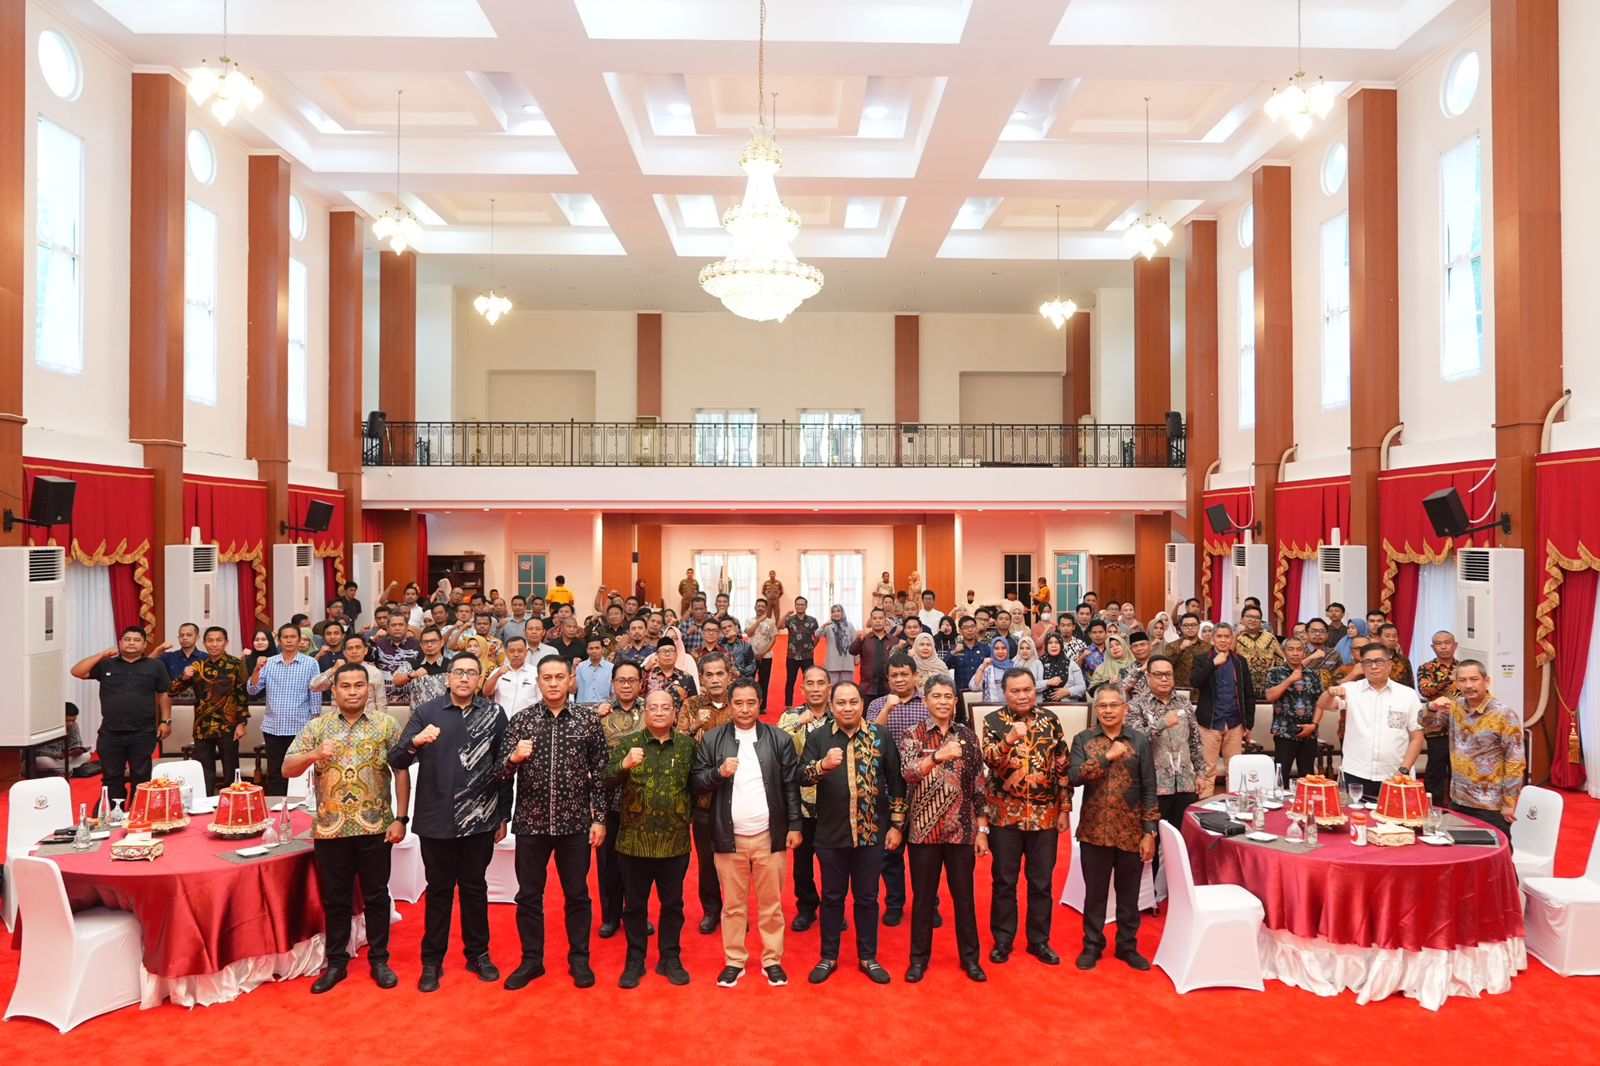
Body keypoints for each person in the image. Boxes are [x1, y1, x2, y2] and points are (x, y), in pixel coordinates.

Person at [391, 652, 512, 993]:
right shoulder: (427, 712)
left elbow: (504, 767)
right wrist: (415, 742)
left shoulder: (493, 714)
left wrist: (503, 814)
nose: (464, 678)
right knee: (439, 891)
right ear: (448, 677)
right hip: (436, 818)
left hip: (480, 818)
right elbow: (397, 758)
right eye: (458, 672)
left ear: (479, 679)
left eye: (471, 673)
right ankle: (432, 961)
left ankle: (478, 955)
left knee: (475, 889)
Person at [284, 662, 408, 993]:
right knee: (336, 900)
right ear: (334, 690)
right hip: (330, 829)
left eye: (358, 685)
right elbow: (287, 768)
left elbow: (401, 772)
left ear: (369, 689)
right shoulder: (317, 727)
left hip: (376, 827)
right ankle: (337, 962)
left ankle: (380, 960)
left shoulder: (386, 725)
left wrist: (401, 818)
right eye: (346, 686)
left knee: (377, 896)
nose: (352, 692)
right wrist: (313, 754)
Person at [495, 654, 609, 990]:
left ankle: (579, 959)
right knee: (528, 895)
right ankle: (532, 960)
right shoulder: (522, 720)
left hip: (575, 823)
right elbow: (500, 773)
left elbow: (600, 774)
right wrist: (514, 758)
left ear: (571, 680)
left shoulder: (588, 720)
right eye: (548, 678)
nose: (554, 683)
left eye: (560, 677)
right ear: (538, 682)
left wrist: (600, 818)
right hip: (531, 824)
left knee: (577, 894)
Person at [692, 677, 803, 988]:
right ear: (730, 705)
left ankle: (772, 960)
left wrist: (795, 825)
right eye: (738, 703)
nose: (744, 709)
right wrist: (718, 773)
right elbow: (697, 782)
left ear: (760, 704)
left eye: (750, 702)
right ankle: (734, 960)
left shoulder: (778, 739)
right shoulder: (712, 739)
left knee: (771, 905)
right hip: (729, 838)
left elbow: (790, 785)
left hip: (769, 836)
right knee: (733, 906)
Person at [801, 680, 906, 985]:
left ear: (862, 704)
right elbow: (801, 777)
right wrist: (822, 766)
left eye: (854, 702)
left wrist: (897, 825)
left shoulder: (880, 735)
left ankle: (868, 957)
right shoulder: (818, 737)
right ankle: (828, 956)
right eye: (841, 703)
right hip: (830, 834)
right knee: (832, 897)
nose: (848, 708)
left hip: (871, 833)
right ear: (831, 706)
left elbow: (896, 783)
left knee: (868, 898)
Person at [899, 674, 989, 983]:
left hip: (961, 830)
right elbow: (908, 773)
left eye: (947, 696)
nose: (942, 701)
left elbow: (978, 785)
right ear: (926, 701)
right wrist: (937, 756)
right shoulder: (913, 735)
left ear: (955, 701)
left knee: (964, 899)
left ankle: (971, 959)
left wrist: (982, 829)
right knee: (923, 900)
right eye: (936, 696)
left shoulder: (968, 736)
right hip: (923, 832)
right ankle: (918, 960)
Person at [604, 689, 696, 988]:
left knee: (673, 905)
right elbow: (605, 780)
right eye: (653, 707)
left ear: (674, 713)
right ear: (645, 713)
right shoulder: (628, 744)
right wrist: (624, 765)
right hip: (634, 842)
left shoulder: (687, 746)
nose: (658, 712)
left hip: (674, 842)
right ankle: (635, 959)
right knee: (634, 906)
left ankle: (670, 957)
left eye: (665, 707)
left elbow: (696, 786)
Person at [981, 668, 1069, 966]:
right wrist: (1008, 740)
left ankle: (1039, 940)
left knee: (1041, 882)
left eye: (1027, 690)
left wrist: (1065, 808)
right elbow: (989, 760)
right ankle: (1003, 940)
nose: (1022, 696)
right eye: (1015, 691)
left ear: (1035, 690)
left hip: (1045, 817)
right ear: (1004, 693)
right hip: (1005, 817)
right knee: (1004, 882)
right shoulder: (993, 721)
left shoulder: (1051, 720)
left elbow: (1062, 765)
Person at [1069, 687, 1159, 971]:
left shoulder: (1139, 741)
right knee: (1094, 895)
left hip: (1131, 831)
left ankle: (1127, 946)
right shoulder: (1083, 739)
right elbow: (1074, 776)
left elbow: (1150, 789)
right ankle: (1092, 946)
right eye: (1103, 706)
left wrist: (1150, 832)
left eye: (1114, 705)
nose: (1108, 710)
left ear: (1125, 708)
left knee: (1129, 896)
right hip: (1094, 830)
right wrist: (1106, 757)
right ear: (1096, 710)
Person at [70, 627, 172, 810]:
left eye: (137, 640)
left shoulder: (155, 665)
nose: (131, 643)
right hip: (111, 733)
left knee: (141, 775)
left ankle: (139, 812)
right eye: (127, 639)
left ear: (144, 645)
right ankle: (113, 813)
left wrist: (166, 721)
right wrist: (102, 655)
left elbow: (164, 693)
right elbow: (77, 671)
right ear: (120, 642)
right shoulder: (107, 665)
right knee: (111, 776)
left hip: (142, 732)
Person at [865, 654, 928, 926]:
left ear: (915, 676)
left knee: (925, 855)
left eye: (905, 674)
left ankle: (928, 905)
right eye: (894, 676)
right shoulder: (877, 704)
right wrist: (887, 710)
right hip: (887, 790)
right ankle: (894, 904)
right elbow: (869, 739)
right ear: (888, 679)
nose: (900, 680)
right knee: (890, 854)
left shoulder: (928, 703)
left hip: (923, 788)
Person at [1315, 643, 1423, 800]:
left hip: (1395, 774)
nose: (1374, 666)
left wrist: (1404, 770)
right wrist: (1330, 693)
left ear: (1390, 665)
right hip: (1356, 772)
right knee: (1355, 813)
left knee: (1394, 815)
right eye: (1368, 662)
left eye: (1380, 661)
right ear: (1362, 666)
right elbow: (1323, 705)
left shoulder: (1407, 695)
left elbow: (1417, 738)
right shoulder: (1351, 689)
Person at [1429, 659, 1525, 834]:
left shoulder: (1503, 714)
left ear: (1486, 681)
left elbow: (1515, 761)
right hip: (1458, 799)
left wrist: (1509, 802)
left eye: (1474, 679)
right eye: (1463, 680)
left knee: (1493, 849)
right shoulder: (1456, 707)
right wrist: (1431, 707)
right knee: (1457, 847)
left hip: (1490, 805)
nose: (1468, 685)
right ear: (1457, 684)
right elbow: (1428, 724)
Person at [681, 653, 734, 933]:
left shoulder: (738, 703)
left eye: (719, 674)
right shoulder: (691, 705)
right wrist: (694, 727)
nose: (714, 680)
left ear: (729, 676)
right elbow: (677, 745)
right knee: (707, 860)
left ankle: (736, 910)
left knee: (737, 860)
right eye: (709, 675)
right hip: (703, 797)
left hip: (737, 796)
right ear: (701, 679)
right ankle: (712, 910)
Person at [777, 667, 834, 931]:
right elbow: (776, 745)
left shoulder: (839, 713)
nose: (815, 688)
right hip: (800, 801)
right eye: (810, 683)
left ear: (829, 687)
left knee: (834, 862)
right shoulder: (791, 715)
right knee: (802, 863)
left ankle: (834, 908)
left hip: (833, 800)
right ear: (802, 688)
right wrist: (799, 723)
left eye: (821, 683)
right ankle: (807, 907)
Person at [596, 662, 649, 938]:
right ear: (613, 683)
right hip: (609, 799)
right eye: (621, 680)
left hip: (644, 800)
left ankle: (638, 914)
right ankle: (610, 916)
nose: (626, 685)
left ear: (641, 683)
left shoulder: (651, 711)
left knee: (640, 863)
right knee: (609, 863)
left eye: (632, 680)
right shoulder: (600, 714)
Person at [1126, 654, 1206, 833]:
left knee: (1183, 838)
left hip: (1186, 783)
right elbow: (1134, 742)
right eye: (1158, 674)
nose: (1164, 679)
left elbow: (1195, 741)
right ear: (1148, 677)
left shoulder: (1184, 703)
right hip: (1154, 787)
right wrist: (1162, 723)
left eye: (1168, 674)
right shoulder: (1136, 705)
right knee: (1152, 838)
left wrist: (1201, 773)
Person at [164, 625, 248, 794]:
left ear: (226, 642)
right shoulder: (197, 666)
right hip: (202, 726)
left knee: (231, 769)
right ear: (204, 643)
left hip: (228, 725)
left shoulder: (237, 664)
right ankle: (205, 802)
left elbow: (242, 695)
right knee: (203, 770)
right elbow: (171, 691)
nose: (214, 644)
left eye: (218, 640)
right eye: (210, 640)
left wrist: (242, 723)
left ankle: (231, 802)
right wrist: (183, 677)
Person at [246, 623, 321, 797]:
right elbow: (252, 690)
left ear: (299, 639)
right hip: (273, 727)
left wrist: (315, 721)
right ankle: (276, 806)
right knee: (275, 773)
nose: (289, 640)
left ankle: (299, 806)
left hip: (300, 728)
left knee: (300, 773)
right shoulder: (269, 663)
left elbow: (315, 693)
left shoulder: (310, 663)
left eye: (293, 637)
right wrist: (257, 669)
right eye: (285, 637)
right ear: (279, 640)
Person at [1189, 623, 1257, 799]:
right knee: (1207, 770)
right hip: (1210, 723)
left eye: (1227, 636)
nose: (1223, 640)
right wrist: (1213, 663)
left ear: (1232, 639)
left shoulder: (1239, 661)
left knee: (1234, 769)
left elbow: (1248, 694)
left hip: (1235, 723)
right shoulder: (1202, 659)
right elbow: (1195, 682)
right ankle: (1205, 810)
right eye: (1219, 636)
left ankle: (1233, 807)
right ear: (1213, 638)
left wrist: (1248, 725)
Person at [1264, 636, 1325, 787]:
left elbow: (1321, 703)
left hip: (1309, 732)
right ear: (1284, 652)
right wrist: (1290, 679)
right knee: (1281, 775)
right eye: (1291, 649)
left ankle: (1306, 801)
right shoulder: (1275, 672)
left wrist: (1314, 725)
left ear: (1305, 652)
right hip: (1284, 732)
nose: (1295, 653)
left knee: (1308, 777)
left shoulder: (1314, 674)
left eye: (1299, 649)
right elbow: (1270, 696)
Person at [1415, 630, 1461, 807]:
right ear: (1432, 647)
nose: (1443, 647)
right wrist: (1450, 679)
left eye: (1447, 643)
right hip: (1436, 727)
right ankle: (1433, 807)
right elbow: (1425, 690)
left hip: (1461, 727)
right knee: (1436, 769)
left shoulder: (1464, 668)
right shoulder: (1426, 668)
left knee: (1459, 769)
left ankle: (1458, 807)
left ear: (1455, 645)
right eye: (1438, 643)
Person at [310, 632, 388, 716]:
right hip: (339, 720)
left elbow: (381, 704)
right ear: (344, 652)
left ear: (365, 650)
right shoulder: (338, 671)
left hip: (368, 720)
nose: (354, 651)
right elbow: (314, 687)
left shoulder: (375, 672)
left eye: (358, 647)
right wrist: (333, 670)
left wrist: (381, 722)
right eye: (350, 648)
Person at [851, 607, 903, 702]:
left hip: (889, 688)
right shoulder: (865, 639)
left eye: (880, 618)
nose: (878, 621)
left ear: (885, 621)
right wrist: (859, 639)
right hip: (867, 688)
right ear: (871, 621)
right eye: (874, 618)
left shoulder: (894, 640)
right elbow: (852, 651)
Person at [1235, 605, 1285, 694]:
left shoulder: (1270, 638)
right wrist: (1235, 635)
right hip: (1242, 690)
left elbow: (1280, 663)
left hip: (1268, 690)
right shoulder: (1236, 638)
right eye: (1249, 616)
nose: (1253, 620)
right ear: (1242, 619)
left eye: (1257, 618)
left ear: (1261, 621)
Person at [782, 597, 820, 707]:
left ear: (806, 606)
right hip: (792, 656)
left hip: (807, 656)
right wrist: (785, 615)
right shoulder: (790, 619)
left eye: (802, 604)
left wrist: (812, 647)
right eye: (798, 604)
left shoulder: (812, 620)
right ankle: (788, 706)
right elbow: (779, 626)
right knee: (790, 681)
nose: (800, 606)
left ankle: (811, 704)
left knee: (810, 681)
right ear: (795, 606)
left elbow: (817, 636)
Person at [33, 704, 90, 776]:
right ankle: (69, 769)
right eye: (67, 721)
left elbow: (76, 743)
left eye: (73, 720)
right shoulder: (46, 726)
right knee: (43, 761)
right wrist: (58, 755)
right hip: (47, 758)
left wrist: (77, 750)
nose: (71, 724)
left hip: (63, 759)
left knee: (86, 755)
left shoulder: (74, 725)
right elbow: (38, 750)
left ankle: (62, 770)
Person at [745, 598, 779, 709]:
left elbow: (773, 639)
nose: (760, 608)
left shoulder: (770, 622)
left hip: (766, 656)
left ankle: (762, 706)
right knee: (749, 681)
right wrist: (758, 621)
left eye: (763, 606)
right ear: (755, 607)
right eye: (758, 606)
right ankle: (749, 703)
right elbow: (749, 633)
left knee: (764, 682)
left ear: (766, 609)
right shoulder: (749, 620)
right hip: (750, 656)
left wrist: (763, 653)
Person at [942, 615, 989, 693]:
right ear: (960, 631)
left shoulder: (986, 649)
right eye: (966, 627)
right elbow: (944, 666)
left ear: (976, 628)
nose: (970, 630)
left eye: (972, 626)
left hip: (982, 692)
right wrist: (954, 652)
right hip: (961, 693)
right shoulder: (955, 649)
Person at [817, 603, 859, 686]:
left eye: (838, 611)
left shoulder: (850, 626)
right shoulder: (829, 627)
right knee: (832, 687)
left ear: (842, 612)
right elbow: (817, 634)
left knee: (847, 686)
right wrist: (824, 624)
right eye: (833, 612)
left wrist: (857, 657)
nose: (836, 613)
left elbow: (855, 643)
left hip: (847, 661)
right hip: (833, 662)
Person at [371, 612, 423, 678]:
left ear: (407, 627)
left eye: (401, 625)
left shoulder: (418, 646)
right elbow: (366, 658)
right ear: (388, 628)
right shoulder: (379, 645)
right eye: (393, 625)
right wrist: (373, 640)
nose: (397, 628)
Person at [1039, 632, 1087, 703]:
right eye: (1050, 643)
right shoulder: (1037, 663)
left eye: (1057, 642)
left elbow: (1082, 687)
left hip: (1066, 706)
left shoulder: (1071, 664)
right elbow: (1030, 686)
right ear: (1046, 645)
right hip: (1041, 706)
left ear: (1061, 645)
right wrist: (1047, 682)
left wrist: (1068, 691)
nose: (1053, 645)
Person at [968, 636, 1017, 703]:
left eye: (1003, 648)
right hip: (991, 707)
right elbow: (974, 687)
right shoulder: (987, 667)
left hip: (1012, 706)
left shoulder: (1015, 667)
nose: (1000, 651)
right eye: (996, 648)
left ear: (1008, 649)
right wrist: (983, 668)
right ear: (992, 650)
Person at [1088, 631, 1137, 696]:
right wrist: (1109, 682)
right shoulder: (1102, 668)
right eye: (1111, 646)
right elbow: (1091, 692)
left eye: (1117, 644)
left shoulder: (1136, 664)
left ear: (1124, 646)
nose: (1115, 648)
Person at [574, 636, 615, 704]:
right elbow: (573, 690)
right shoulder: (580, 667)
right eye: (591, 648)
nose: (594, 651)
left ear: (603, 649)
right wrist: (573, 670)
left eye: (597, 648)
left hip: (604, 707)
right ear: (587, 650)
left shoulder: (611, 668)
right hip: (582, 707)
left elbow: (614, 693)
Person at [1378, 622, 1415, 687]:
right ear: (1379, 638)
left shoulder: (1404, 660)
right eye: (1387, 636)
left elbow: (1410, 684)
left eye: (1395, 636)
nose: (1391, 639)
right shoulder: (1373, 659)